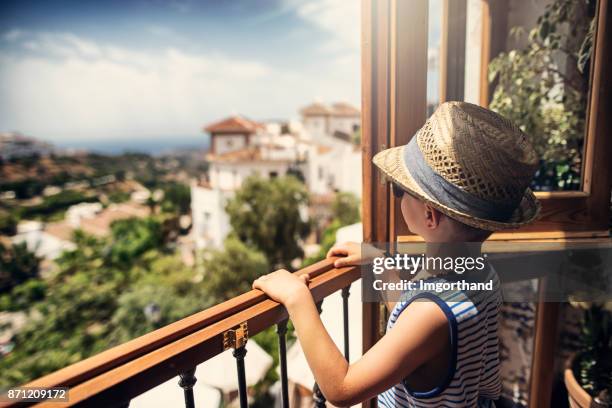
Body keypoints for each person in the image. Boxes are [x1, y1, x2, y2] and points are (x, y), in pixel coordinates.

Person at [253, 101, 540, 407]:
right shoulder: (479, 275)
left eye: (400, 190)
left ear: (430, 216)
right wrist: (380, 263)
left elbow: (341, 388)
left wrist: (298, 299)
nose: (396, 196)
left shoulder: (432, 311)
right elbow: (411, 321)